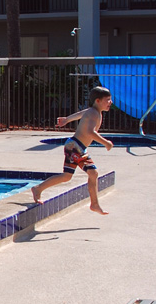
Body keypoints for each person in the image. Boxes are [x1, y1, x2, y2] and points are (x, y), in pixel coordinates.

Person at [31, 86, 114, 214]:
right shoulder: (93, 113)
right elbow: (90, 132)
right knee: (93, 173)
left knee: (67, 176)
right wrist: (106, 143)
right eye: (107, 100)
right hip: (76, 147)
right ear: (98, 101)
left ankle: (38, 189)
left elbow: (80, 114)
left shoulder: (92, 111)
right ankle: (94, 204)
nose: (110, 102)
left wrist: (67, 119)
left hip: (75, 146)